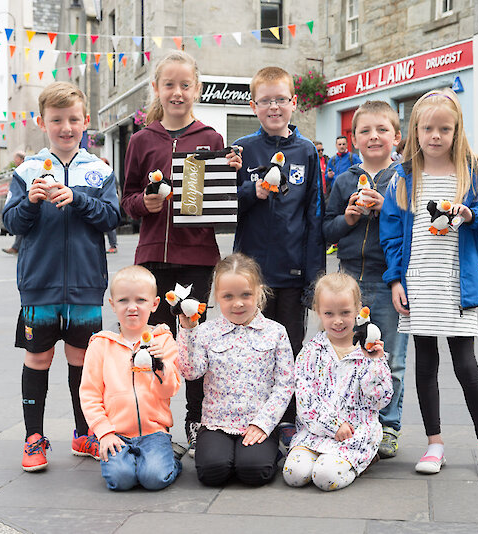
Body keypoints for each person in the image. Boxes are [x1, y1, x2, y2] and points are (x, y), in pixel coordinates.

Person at [379, 89, 478, 477]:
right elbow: (390, 233)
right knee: (425, 364)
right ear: (415, 132)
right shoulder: (404, 176)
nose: (435, 136)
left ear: (457, 131)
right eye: (427, 128)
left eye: (444, 129)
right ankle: (434, 443)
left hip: (456, 285)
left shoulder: (476, 173)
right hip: (418, 282)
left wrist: (473, 216)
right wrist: (394, 281)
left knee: (465, 364)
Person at [122, 51, 241, 458]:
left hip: (198, 258)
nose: (177, 92)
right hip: (152, 258)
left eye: (185, 85)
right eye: (169, 85)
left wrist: (230, 175)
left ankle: (194, 422)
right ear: (156, 89)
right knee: (152, 345)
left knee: (192, 347)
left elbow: (221, 199)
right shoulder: (140, 140)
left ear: (198, 89)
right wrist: (143, 206)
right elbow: (127, 197)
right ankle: (154, 423)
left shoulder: (211, 138)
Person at [1, 81, 120, 472]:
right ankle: (33, 438)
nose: (66, 127)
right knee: (38, 358)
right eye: (57, 120)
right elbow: (11, 223)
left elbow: (113, 218)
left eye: (73, 119)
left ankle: (83, 433)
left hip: (86, 284)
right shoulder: (27, 171)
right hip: (39, 284)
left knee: (82, 361)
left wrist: (80, 198)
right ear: (42, 123)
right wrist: (31, 203)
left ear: (86, 121)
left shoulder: (100, 171)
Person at [232, 66, 324, 447]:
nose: (274, 107)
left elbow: (314, 215)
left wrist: (314, 278)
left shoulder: (306, 152)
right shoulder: (242, 150)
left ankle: (287, 420)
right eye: (266, 100)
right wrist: (252, 191)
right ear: (254, 106)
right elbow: (224, 206)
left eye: (281, 99)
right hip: (250, 276)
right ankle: (249, 418)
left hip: (292, 272)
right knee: (248, 348)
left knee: (289, 349)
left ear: (294, 103)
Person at [322, 100, 408, 459]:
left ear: (397, 137)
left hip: (389, 281)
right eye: (365, 131)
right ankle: (353, 419)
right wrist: (350, 219)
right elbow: (327, 230)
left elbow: (412, 227)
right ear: (353, 138)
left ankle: (389, 425)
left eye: (382, 130)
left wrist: (386, 205)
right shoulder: (343, 180)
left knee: (391, 357)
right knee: (348, 354)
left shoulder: (405, 178)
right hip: (348, 283)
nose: (374, 137)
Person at [176, 253, 294, 487]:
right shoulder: (206, 331)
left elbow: (285, 384)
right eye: (228, 296)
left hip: (258, 421)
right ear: (216, 297)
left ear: (259, 292)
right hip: (216, 422)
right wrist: (188, 332)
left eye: (246, 295)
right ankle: (225, 455)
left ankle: (265, 452)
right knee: (212, 472)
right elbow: (192, 372)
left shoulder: (275, 331)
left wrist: (264, 423)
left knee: (254, 471)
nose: (237, 303)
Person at [283, 272, 392, 491]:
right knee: (294, 475)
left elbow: (382, 399)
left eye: (345, 312)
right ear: (318, 312)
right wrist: (333, 425)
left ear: (359, 309)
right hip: (316, 431)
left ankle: (363, 458)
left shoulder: (367, 351)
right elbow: (306, 401)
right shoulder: (310, 352)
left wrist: (376, 364)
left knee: (325, 477)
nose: (338, 320)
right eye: (329, 313)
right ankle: (323, 457)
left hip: (354, 432)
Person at [80, 266, 182, 491]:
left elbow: (170, 390)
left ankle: (169, 458)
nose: (132, 307)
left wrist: (161, 365)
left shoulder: (163, 341)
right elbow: (89, 394)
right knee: (120, 480)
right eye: (124, 300)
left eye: (141, 300)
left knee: (154, 479)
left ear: (154, 304)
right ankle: (132, 461)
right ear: (112, 304)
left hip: (154, 432)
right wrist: (104, 433)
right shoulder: (100, 344)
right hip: (116, 433)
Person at [3, 151, 26, 254]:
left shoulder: (26, 168)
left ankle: (17, 247)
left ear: (20, 159)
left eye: (16, 158)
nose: (14, 161)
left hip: (25, 198)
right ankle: (16, 246)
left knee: (22, 220)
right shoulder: (20, 169)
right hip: (20, 198)